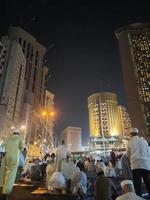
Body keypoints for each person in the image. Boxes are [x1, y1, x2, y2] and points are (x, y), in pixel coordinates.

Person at [0, 128, 23, 200]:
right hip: (14, 158)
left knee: (3, 173)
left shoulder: (8, 138)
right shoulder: (19, 139)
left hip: (6, 157)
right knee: (11, 175)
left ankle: (1, 186)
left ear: (13, 133)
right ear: (18, 133)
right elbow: (21, 148)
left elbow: (1, 146)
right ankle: (5, 192)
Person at [127, 128, 150, 197]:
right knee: (148, 182)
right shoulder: (144, 141)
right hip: (146, 164)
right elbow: (148, 153)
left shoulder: (129, 142)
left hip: (135, 165)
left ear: (130, 134)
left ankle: (139, 197)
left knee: (137, 185)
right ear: (137, 134)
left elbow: (128, 155)